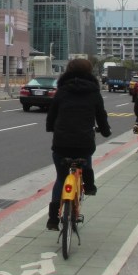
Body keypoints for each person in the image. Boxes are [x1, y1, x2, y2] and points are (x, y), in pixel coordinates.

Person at [45, 58, 111, 231]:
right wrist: (105, 131)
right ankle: (89, 185)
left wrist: (51, 128)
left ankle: (53, 218)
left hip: (61, 143)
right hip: (84, 142)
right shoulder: (94, 92)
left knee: (61, 178)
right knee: (86, 156)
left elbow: (52, 115)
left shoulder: (61, 91)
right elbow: (101, 116)